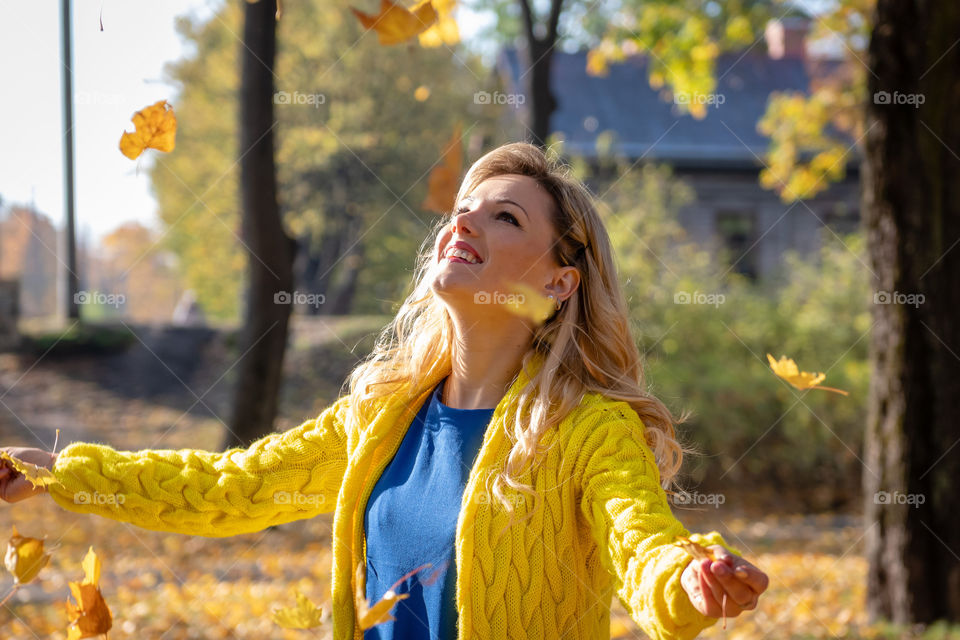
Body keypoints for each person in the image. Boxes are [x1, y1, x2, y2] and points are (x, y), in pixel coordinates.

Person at [0, 142, 768, 640]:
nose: (464, 222)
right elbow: (228, 487)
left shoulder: (586, 429)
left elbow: (644, 545)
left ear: (557, 282)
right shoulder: (382, 413)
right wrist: (58, 471)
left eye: (503, 217)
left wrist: (691, 580)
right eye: (463, 208)